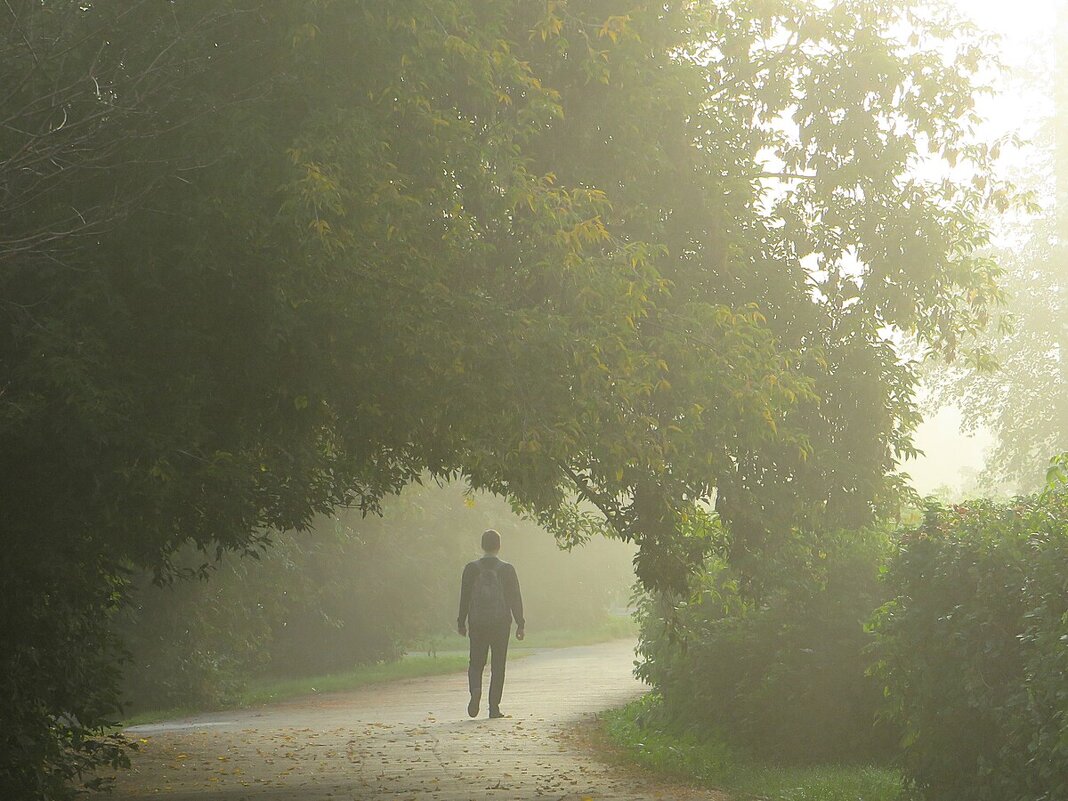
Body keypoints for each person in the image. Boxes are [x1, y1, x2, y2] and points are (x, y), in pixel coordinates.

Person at [457, 529, 525, 719]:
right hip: (501, 624)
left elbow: (464, 597)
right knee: (498, 665)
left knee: (476, 663)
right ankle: (494, 708)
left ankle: (476, 690)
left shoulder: (471, 569)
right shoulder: (507, 569)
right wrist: (520, 623)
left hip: (478, 623)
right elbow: (515, 598)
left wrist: (461, 621)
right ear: (499, 546)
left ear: (482, 545)